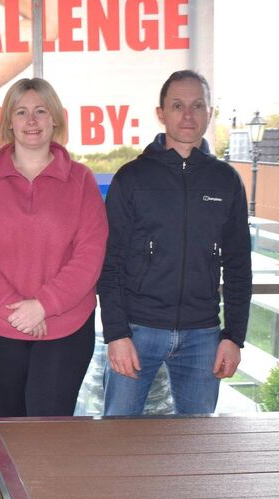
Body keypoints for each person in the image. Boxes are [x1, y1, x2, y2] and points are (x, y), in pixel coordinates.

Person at [98, 70, 252, 415]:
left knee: (194, 449)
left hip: (203, 337)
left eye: (197, 106)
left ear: (209, 113)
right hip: (138, 331)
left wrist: (233, 337)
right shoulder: (132, 178)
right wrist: (116, 334)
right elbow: (109, 263)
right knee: (117, 442)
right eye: (178, 105)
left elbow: (239, 265)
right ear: (161, 113)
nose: (187, 115)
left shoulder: (226, 181)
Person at [0, 78, 108, 417]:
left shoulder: (81, 181)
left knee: (49, 438)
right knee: (10, 432)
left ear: (55, 118)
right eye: (21, 112)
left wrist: (43, 306)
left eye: (40, 111)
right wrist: (18, 310)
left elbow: (89, 256)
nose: (31, 120)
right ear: (9, 121)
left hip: (65, 328)